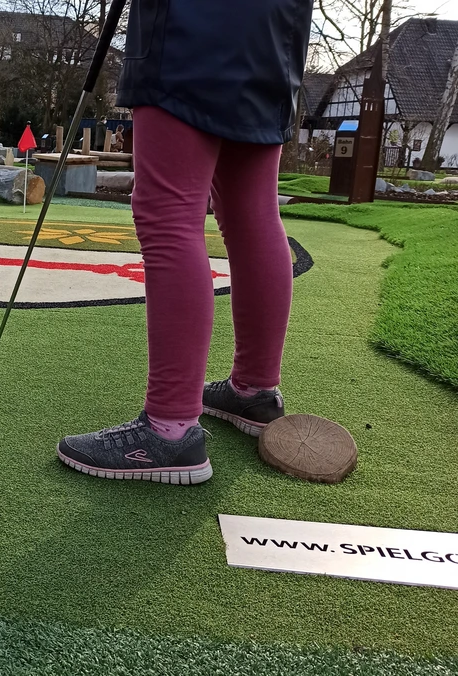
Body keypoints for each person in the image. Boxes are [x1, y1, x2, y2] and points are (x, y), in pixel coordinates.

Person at [57, 0, 313, 485]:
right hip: (276, 30)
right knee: (252, 211)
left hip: (193, 25)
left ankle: (170, 430)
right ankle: (255, 392)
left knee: (169, 212)